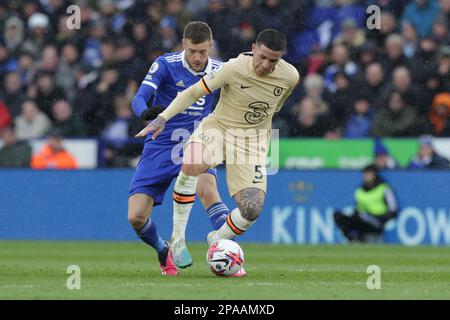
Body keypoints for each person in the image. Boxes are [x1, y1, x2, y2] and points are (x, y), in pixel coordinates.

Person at [136, 29, 300, 276]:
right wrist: (162, 118)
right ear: (253, 48)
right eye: (262, 57)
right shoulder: (233, 68)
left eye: (273, 61)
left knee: (251, 209)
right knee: (192, 164)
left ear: (282, 58)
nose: (265, 65)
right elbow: (192, 92)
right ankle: (178, 238)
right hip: (218, 128)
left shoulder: (291, 77)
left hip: (252, 140)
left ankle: (218, 238)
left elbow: (275, 108)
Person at [128, 21, 234, 276]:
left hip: (198, 140)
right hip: (161, 143)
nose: (198, 58)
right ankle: (163, 250)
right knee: (136, 217)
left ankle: (229, 253)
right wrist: (146, 113)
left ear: (210, 47)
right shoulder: (166, 64)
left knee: (208, 191)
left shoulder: (222, 70)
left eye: (203, 52)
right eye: (192, 52)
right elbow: (139, 97)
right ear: (184, 45)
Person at [334, 165, 398, 243]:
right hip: (361, 218)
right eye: (364, 174)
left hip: (378, 220)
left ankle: (360, 237)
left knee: (361, 216)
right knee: (338, 215)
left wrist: (383, 219)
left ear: (374, 175)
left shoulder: (384, 188)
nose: (365, 177)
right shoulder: (359, 190)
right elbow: (358, 207)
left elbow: (393, 209)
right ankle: (352, 239)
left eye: (368, 174)